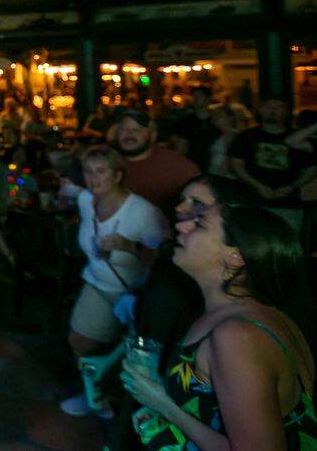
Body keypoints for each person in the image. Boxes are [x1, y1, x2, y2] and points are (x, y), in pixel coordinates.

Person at [121, 178, 317, 451]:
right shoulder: (237, 312)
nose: (181, 225)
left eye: (199, 224)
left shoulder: (239, 336)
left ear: (235, 256)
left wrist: (164, 405)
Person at [60, 145, 168, 418]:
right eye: (88, 171)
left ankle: (131, 408)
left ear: (118, 175)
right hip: (98, 283)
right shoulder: (87, 201)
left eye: (101, 171)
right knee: (79, 341)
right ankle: (93, 394)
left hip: (134, 292)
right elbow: (66, 201)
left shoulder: (143, 213)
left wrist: (127, 246)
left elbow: (165, 259)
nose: (93, 178)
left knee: (135, 356)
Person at [229, 98, 317, 233]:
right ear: (260, 110)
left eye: (278, 107)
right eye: (268, 106)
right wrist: (259, 187)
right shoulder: (246, 136)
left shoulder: (299, 139)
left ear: (287, 112)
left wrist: (292, 186)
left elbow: (312, 167)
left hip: (288, 204)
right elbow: (236, 165)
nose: (273, 110)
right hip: (253, 203)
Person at [116, 109, 201, 220]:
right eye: (124, 129)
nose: (129, 135)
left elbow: (202, 198)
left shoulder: (175, 164)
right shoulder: (109, 161)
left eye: (137, 130)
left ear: (153, 136)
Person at [172, 87, 221, 172]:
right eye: (194, 96)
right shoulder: (186, 121)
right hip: (193, 166)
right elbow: (181, 146)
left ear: (208, 98)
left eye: (200, 96)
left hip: (217, 166)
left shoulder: (218, 119)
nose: (196, 99)